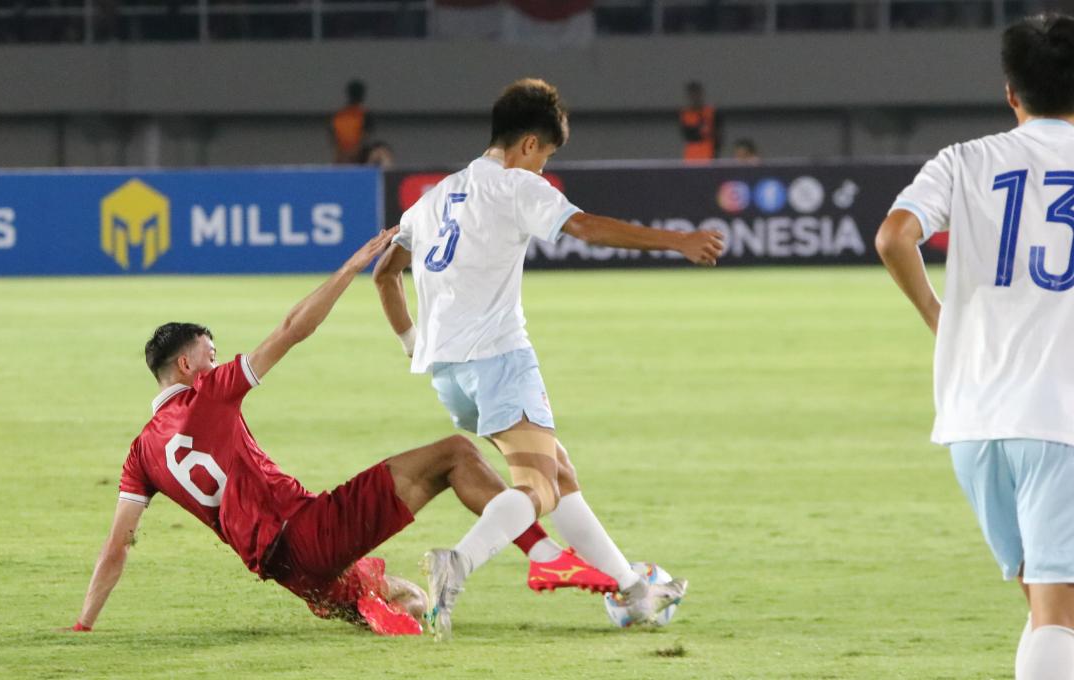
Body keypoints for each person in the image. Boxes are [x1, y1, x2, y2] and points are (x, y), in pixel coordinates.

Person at [65, 228, 571, 637]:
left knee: (408, 600)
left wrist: (84, 622)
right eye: (210, 354)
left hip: (290, 575)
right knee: (458, 452)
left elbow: (118, 546)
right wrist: (349, 270)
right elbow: (290, 329)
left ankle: (384, 609)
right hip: (308, 531)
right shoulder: (210, 393)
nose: (216, 359)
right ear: (185, 365)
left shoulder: (141, 454)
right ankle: (546, 556)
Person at [373, 78, 723, 640]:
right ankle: (455, 565)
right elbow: (585, 227)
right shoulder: (516, 186)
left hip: (447, 372)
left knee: (559, 472)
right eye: (548, 157)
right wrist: (676, 241)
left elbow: (384, 275)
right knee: (538, 488)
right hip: (500, 358)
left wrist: (415, 343)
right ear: (530, 144)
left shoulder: (435, 195)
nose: (544, 169)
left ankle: (632, 588)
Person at [876, 14, 1074, 680]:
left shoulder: (963, 160)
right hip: (1064, 421)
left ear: (1010, 92)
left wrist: (939, 315)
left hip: (972, 421)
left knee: (1044, 604)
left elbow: (894, 236)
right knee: (1067, 610)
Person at [332, 79, 372, 164]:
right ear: (362, 95)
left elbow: (334, 139)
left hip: (341, 158)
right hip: (357, 160)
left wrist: (342, 154)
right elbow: (365, 138)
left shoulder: (338, 116)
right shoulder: (365, 115)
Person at [679, 81, 718, 161]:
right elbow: (687, 135)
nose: (695, 97)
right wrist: (699, 129)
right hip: (691, 154)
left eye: (697, 94)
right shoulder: (685, 114)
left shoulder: (711, 112)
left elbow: (717, 135)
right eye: (692, 95)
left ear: (701, 94)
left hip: (708, 153)